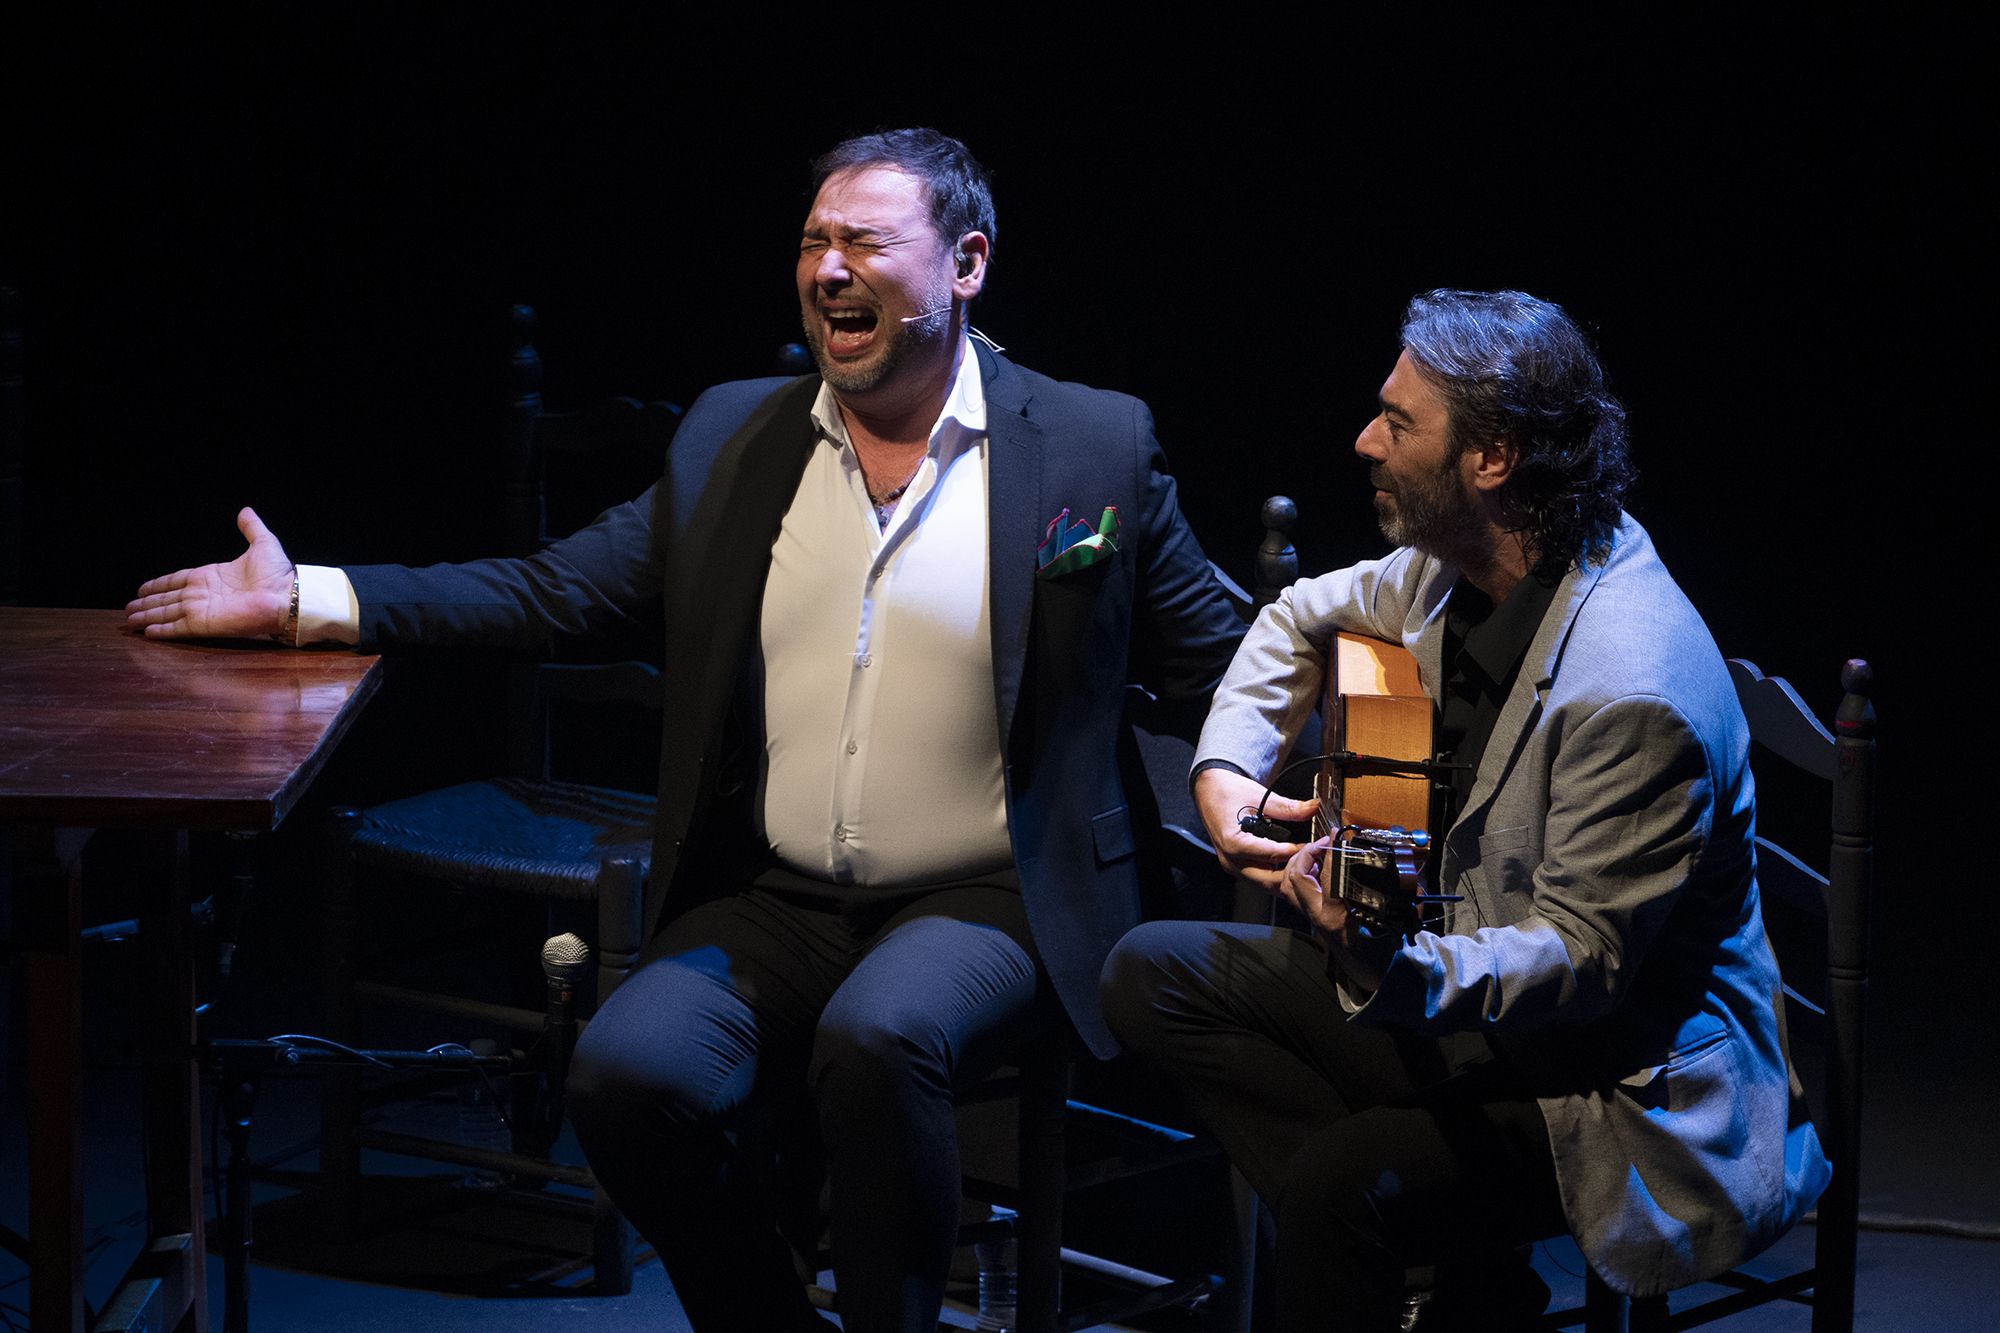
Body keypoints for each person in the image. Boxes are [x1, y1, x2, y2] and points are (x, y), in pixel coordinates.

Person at [127, 129, 1246, 1333]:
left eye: (864, 241)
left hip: (988, 890)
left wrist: (1304, 741)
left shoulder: (1085, 444)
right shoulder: (735, 435)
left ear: (965, 264)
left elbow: (1225, 653)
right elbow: (554, 590)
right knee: (624, 1072)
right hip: (774, 896)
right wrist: (309, 598)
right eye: (813, 240)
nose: (826, 268)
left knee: (880, 1036)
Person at [1098, 290, 1830, 1330]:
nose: (1363, 441)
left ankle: (1433, 1271)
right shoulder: (1456, 572)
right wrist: (1223, 770)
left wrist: (1385, 962)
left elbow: (1581, 965)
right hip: (1466, 1011)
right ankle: (1467, 1280)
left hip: (1611, 1081)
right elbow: (1302, 611)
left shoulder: (1629, 685)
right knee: (1152, 976)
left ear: (1490, 458)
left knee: (1336, 1188)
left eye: (1396, 423)